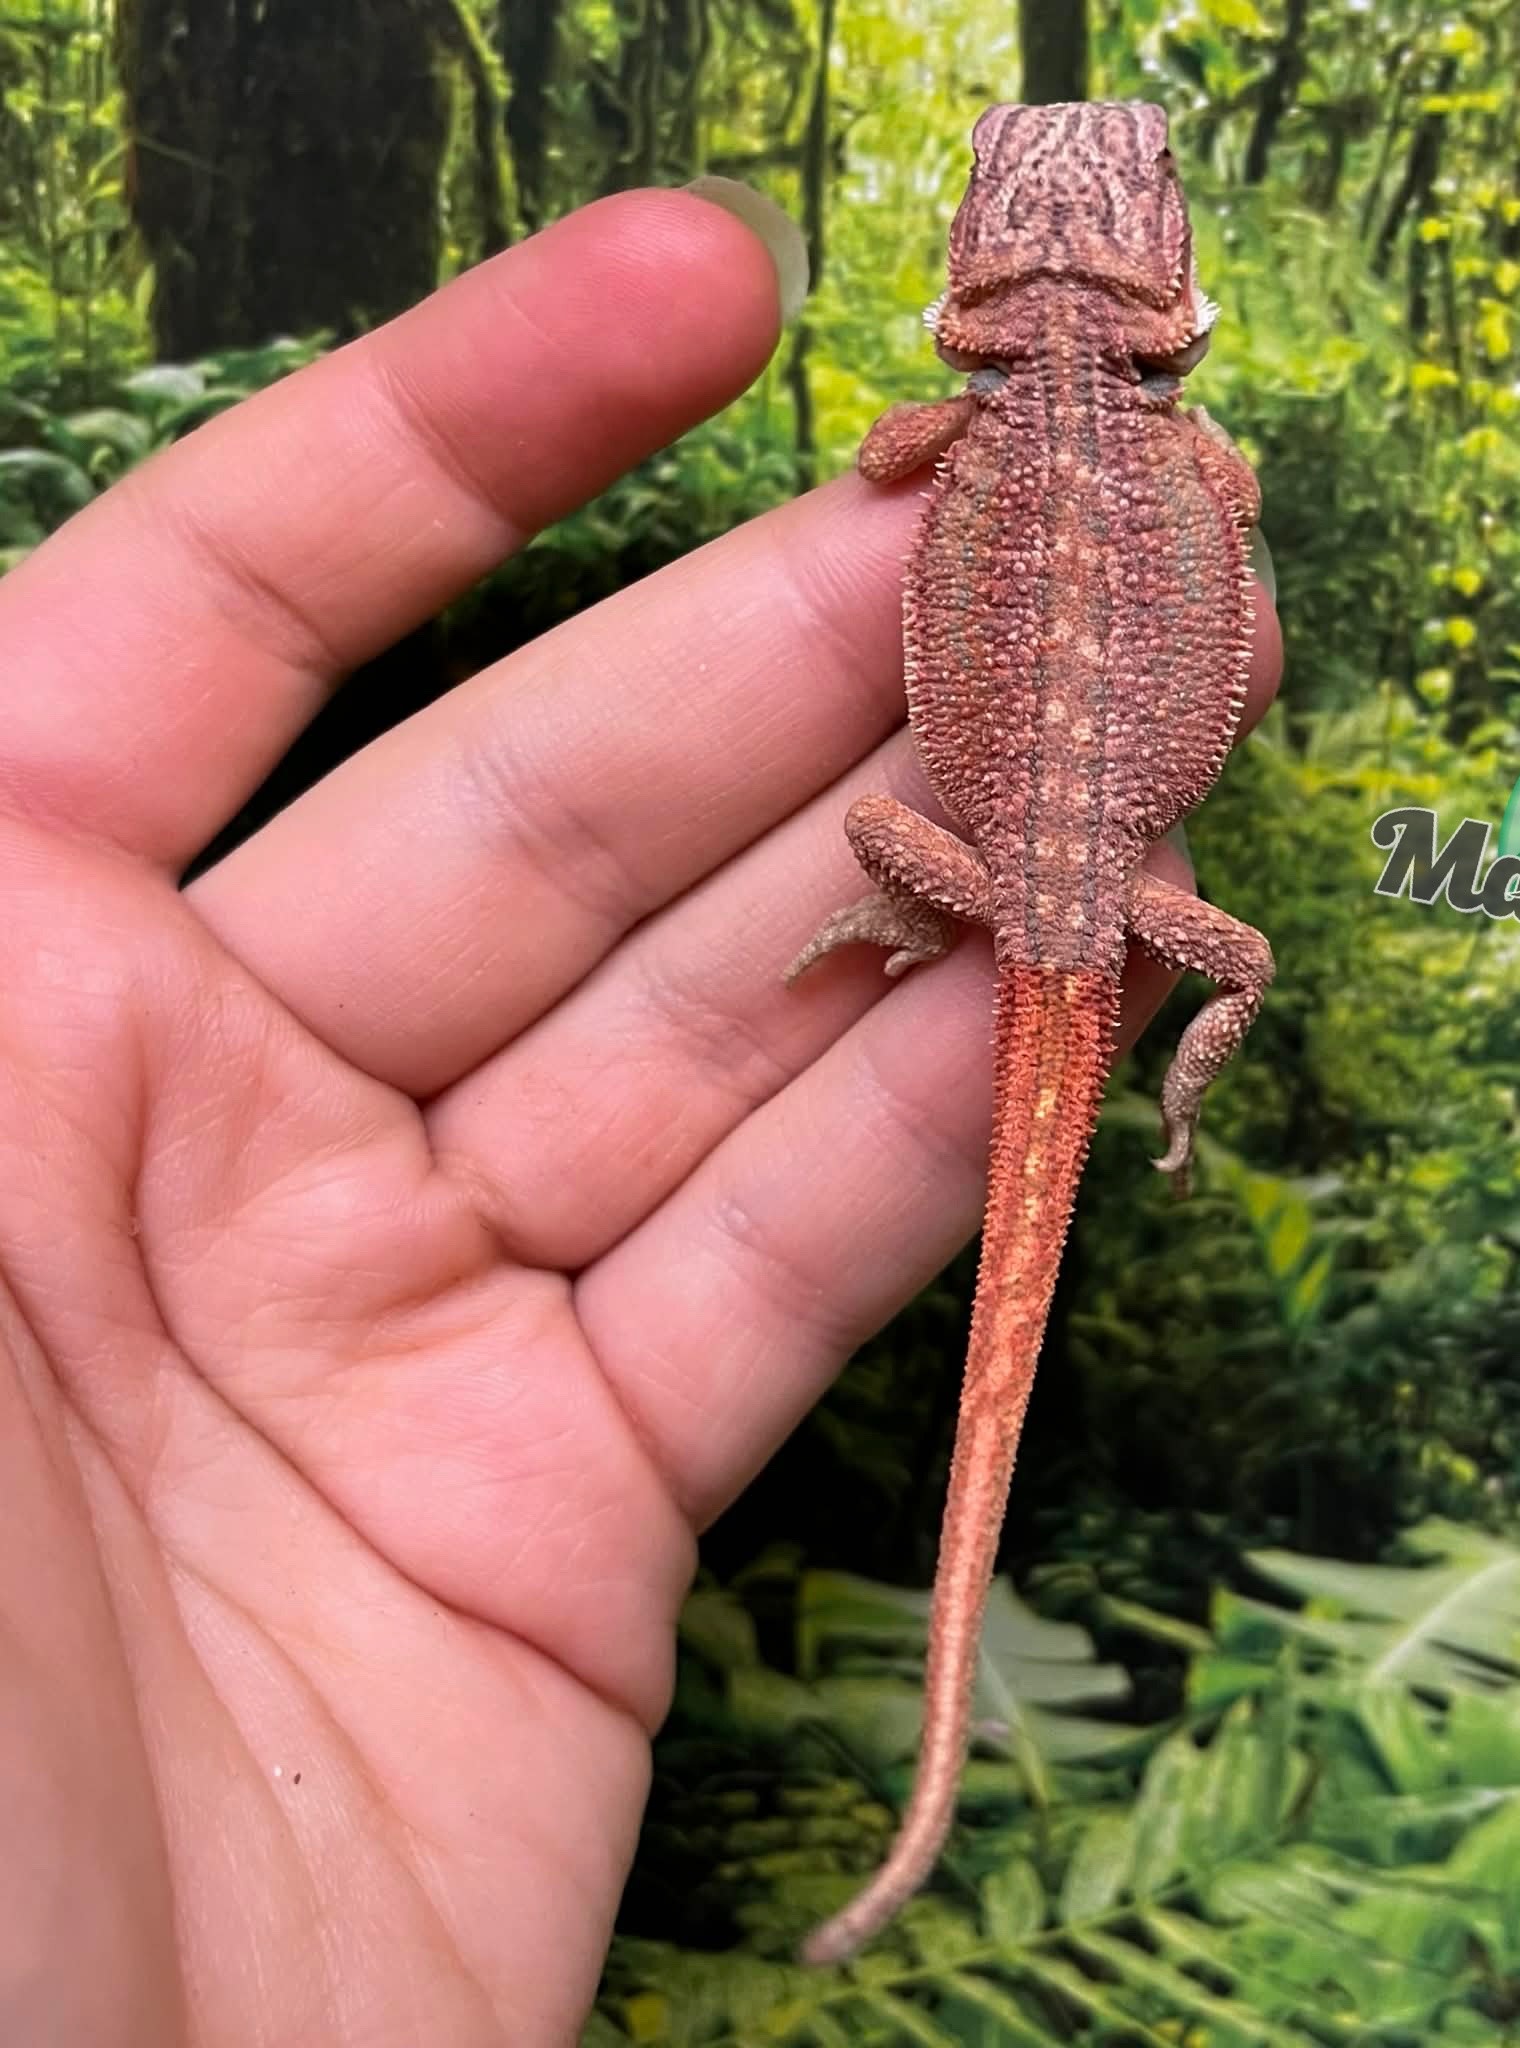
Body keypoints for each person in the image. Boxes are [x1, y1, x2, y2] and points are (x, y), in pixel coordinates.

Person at [0, 190, 1279, 2042]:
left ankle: (998, 978)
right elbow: (1223, 524)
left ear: (972, 295)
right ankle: (1162, 1078)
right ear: (1177, 304)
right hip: (1104, 887)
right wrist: (1172, 1065)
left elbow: (880, 455)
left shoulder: (960, 435)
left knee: (915, 945)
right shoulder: (1197, 458)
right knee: (1203, 985)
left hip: (988, 864)